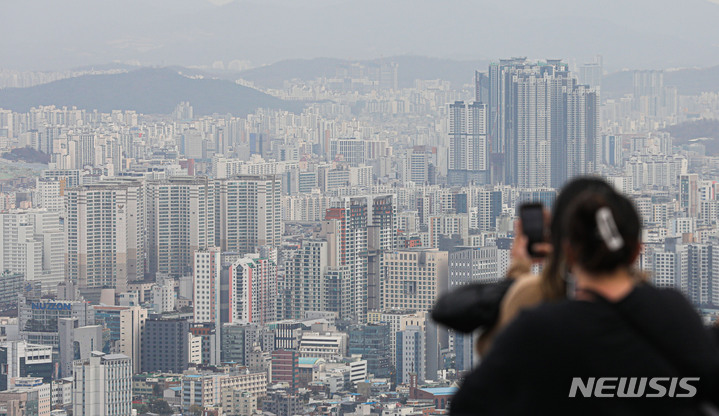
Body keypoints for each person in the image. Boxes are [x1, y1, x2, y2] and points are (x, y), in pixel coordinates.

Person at [452, 189, 719, 415]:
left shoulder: (540, 328)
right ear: (637, 250)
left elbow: (468, 405)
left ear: (568, 251)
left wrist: (520, 273)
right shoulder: (675, 310)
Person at [476, 177, 621, 355]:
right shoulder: (654, 310)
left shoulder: (535, 300)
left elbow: (494, 353)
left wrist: (519, 268)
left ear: (563, 243)